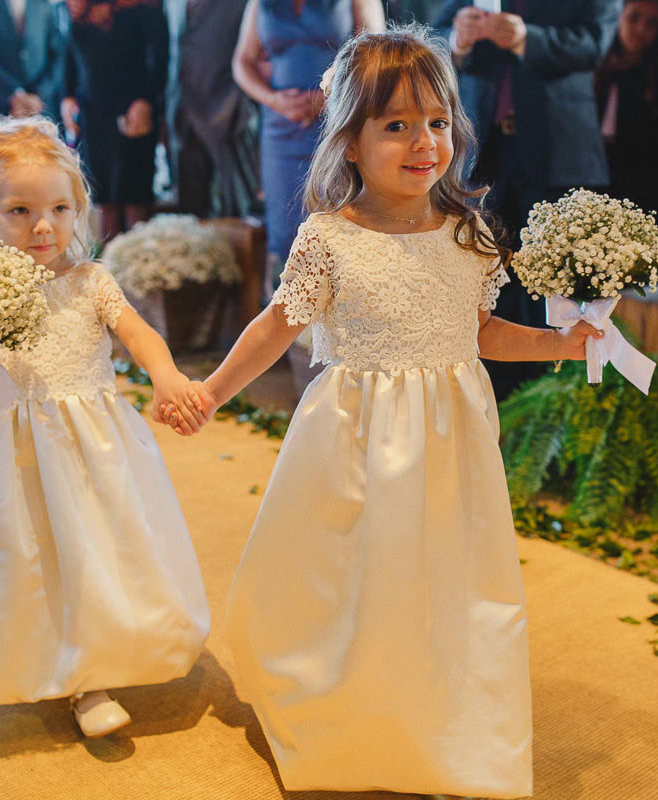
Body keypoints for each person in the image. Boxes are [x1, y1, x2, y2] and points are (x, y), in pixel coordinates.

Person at [164, 27, 601, 797]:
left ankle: (439, 719)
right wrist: (211, 392)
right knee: (351, 575)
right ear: (351, 143)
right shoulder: (330, 239)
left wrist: (564, 345)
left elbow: (482, 332)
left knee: (442, 580)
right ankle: (348, 706)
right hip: (354, 439)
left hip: (450, 443)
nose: (421, 142)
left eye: (435, 122)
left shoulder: (469, 235)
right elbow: (277, 325)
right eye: (395, 125)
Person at [0, 116, 211, 737]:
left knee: (97, 549)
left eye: (60, 208)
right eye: (21, 210)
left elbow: (137, 332)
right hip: (14, 452)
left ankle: (93, 678)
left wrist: (165, 376)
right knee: (31, 557)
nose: (43, 226)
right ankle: (46, 662)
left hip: (94, 444)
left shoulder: (89, 280)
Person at [435, 0, 621, 401]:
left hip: (558, 149)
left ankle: (555, 409)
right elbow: (434, 31)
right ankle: (493, 404)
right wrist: (457, 39)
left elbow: (596, 41)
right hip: (486, 147)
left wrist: (526, 40)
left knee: (559, 285)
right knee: (486, 277)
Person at [232, 0, 384, 297]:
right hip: (280, 126)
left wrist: (329, 98)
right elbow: (242, 62)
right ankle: (288, 328)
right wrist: (274, 100)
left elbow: (376, 54)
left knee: (339, 224)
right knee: (284, 228)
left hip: (339, 123)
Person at [61, 0, 168, 242]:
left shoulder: (142, 7)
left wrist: (146, 100)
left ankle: (138, 266)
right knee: (102, 196)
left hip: (134, 108)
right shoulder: (77, 9)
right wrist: (66, 96)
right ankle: (105, 269)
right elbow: (68, 56)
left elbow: (159, 57)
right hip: (93, 115)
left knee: (134, 193)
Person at [163, 0, 259, 218]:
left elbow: (255, 54)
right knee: (190, 211)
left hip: (227, 112)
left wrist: (235, 101)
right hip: (182, 111)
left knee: (236, 209)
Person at [595, 0, 658, 235]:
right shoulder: (595, 69)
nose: (641, 30)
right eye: (633, 18)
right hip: (594, 186)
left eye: (651, 23)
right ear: (618, 16)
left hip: (643, 193)